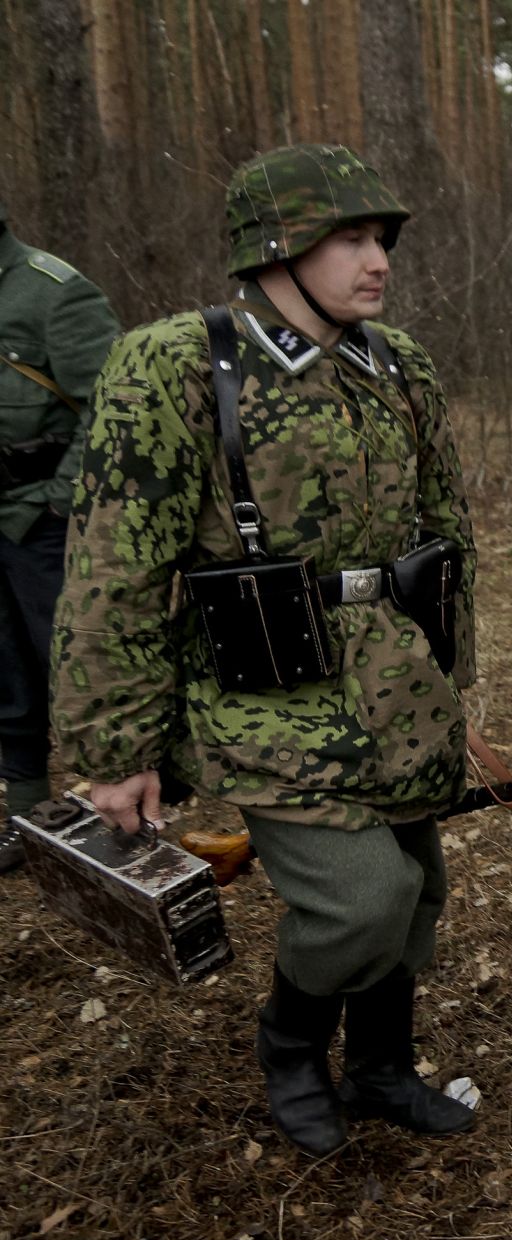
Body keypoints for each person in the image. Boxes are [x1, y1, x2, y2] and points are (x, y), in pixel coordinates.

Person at [49, 143, 479, 1157]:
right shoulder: (180, 364)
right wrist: (114, 747)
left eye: (382, 238)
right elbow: (115, 565)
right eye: (351, 238)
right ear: (278, 247)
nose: (378, 260)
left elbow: (445, 526)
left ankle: (378, 1066)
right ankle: (289, 1043)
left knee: (416, 888)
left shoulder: (395, 362)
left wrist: (452, 671)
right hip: (263, 691)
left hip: (393, 681)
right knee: (360, 896)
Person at [0, 198, 118, 872]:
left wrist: (57, 501)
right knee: (6, 675)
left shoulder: (54, 293)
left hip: (46, 522)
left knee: (79, 670)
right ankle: (26, 814)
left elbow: (115, 404)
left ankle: (127, 812)